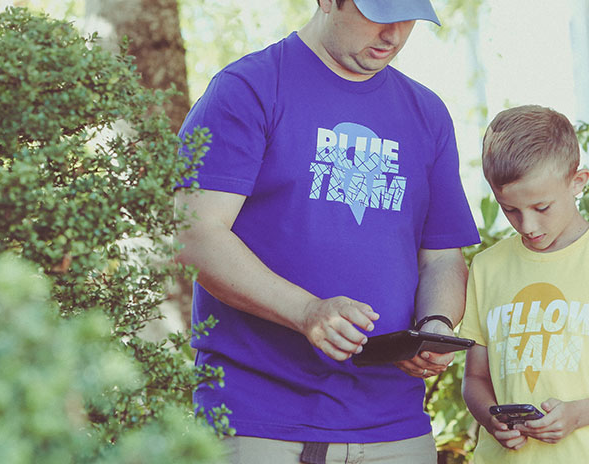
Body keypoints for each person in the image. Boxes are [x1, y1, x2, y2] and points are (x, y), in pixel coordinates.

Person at [173, 0, 480, 462]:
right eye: (379, 14)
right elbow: (195, 235)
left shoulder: (427, 113)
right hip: (259, 421)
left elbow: (440, 257)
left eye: (408, 19)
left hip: (393, 426)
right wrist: (307, 311)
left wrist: (434, 326)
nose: (393, 35)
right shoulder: (247, 89)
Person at [458, 105, 589, 463]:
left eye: (541, 207)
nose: (526, 225)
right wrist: (492, 420)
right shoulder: (486, 267)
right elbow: (474, 379)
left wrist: (578, 414)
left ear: (578, 182)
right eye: (510, 210)